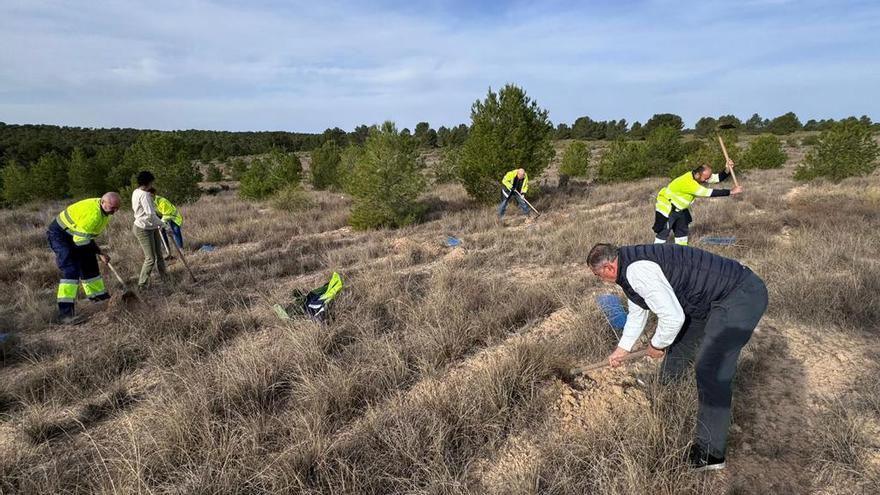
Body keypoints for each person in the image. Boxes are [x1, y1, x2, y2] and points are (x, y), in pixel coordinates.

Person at [587, 243, 768, 472]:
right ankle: (665, 383)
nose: (599, 279)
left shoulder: (636, 271)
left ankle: (710, 453)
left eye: (597, 275)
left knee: (711, 370)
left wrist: (656, 345)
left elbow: (672, 318)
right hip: (705, 300)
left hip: (739, 296)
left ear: (609, 268)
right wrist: (621, 349)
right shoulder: (628, 269)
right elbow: (637, 311)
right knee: (682, 341)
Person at [46, 192, 121, 324]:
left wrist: (99, 252)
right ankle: (66, 315)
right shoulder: (93, 215)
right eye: (112, 208)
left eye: (117, 208)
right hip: (60, 236)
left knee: (90, 265)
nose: (114, 211)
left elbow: (87, 236)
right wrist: (99, 253)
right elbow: (80, 240)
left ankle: (99, 299)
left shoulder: (105, 210)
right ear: (103, 203)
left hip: (76, 235)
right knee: (71, 270)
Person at [653, 160, 742, 245]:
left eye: (707, 178)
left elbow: (717, 178)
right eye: (705, 178)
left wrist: (727, 169)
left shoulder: (697, 176)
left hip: (681, 210)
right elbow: (709, 193)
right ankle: (655, 254)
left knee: (682, 235)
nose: (707, 181)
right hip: (668, 209)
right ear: (698, 174)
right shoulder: (688, 182)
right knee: (663, 234)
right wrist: (731, 192)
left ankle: (682, 253)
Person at [132, 171, 168, 288]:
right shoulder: (144, 195)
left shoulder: (137, 191)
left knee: (159, 254)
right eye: (152, 182)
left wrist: (158, 217)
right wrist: (164, 225)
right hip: (143, 229)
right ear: (149, 182)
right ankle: (142, 284)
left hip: (151, 226)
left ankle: (165, 278)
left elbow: (150, 212)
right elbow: (150, 215)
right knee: (150, 259)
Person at [148, 187, 183, 256]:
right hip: (162, 216)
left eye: (151, 195)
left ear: (154, 194)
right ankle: (168, 251)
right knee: (162, 232)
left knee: (176, 232)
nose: (149, 197)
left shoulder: (162, 201)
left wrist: (162, 223)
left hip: (173, 217)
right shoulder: (149, 202)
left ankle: (181, 250)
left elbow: (167, 213)